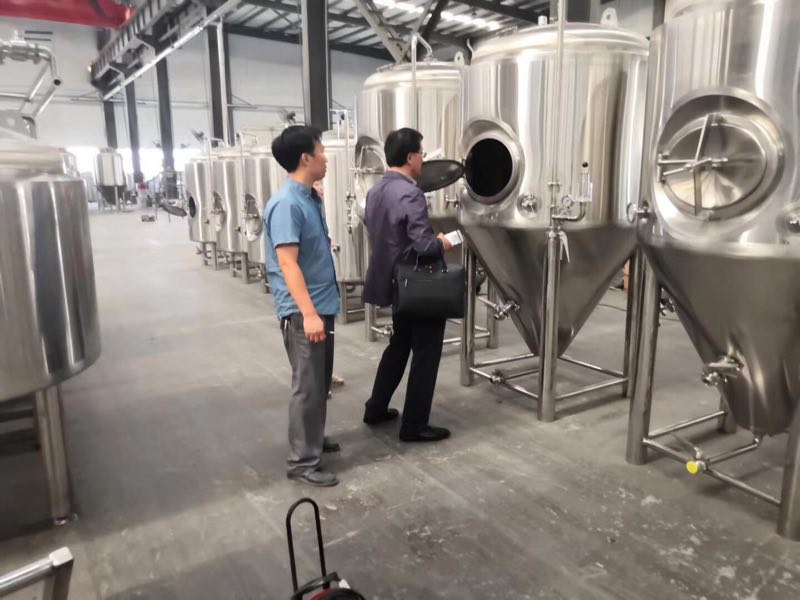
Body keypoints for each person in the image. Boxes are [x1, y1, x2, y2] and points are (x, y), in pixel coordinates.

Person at [361, 127, 454, 442]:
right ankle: (414, 425)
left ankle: (376, 408)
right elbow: (424, 246)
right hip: (416, 284)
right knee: (426, 352)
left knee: (399, 345)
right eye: (422, 154)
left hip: (392, 282)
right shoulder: (410, 194)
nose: (423, 160)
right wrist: (444, 242)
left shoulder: (375, 191)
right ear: (412, 157)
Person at [265, 126, 340, 487]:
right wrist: (308, 315)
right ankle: (302, 462)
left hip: (321, 303)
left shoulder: (308, 198)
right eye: (321, 151)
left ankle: (313, 439)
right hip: (304, 311)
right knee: (307, 385)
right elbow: (288, 263)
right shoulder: (287, 205)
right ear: (306, 158)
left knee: (319, 382)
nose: (326, 158)